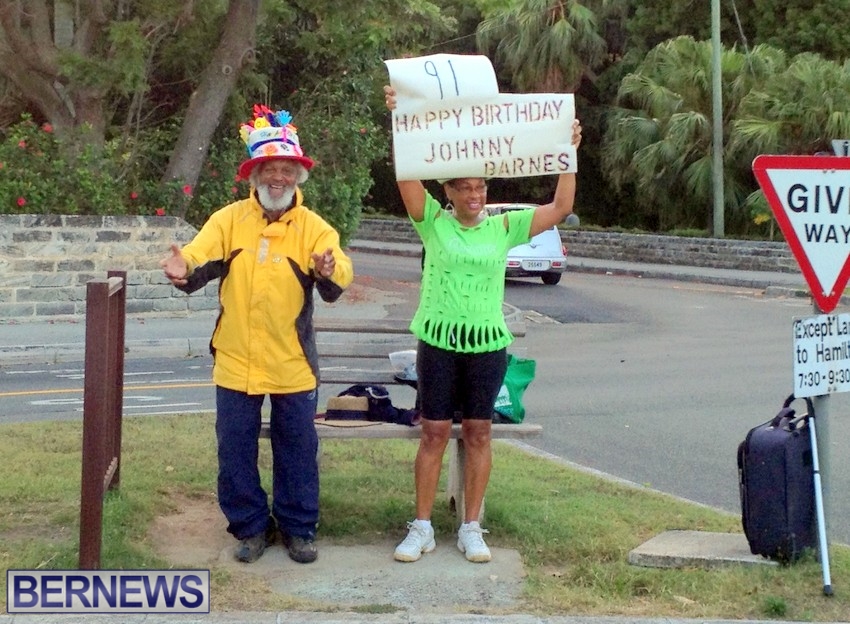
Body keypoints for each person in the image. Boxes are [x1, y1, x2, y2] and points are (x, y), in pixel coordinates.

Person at [383, 85, 581, 563]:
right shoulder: (432, 221)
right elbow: (408, 176)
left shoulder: (503, 226)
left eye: (481, 187)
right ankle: (423, 526)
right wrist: (400, 120)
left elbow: (560, 209)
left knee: (479, 432)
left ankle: (471, 526)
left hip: (487, 345)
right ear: (447, 191)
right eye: (465, 187)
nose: (475, 195)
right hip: (439, 341)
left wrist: (567, 155)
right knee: (432, 432)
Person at [160, 105, 354, 565]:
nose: (279, 178)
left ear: (297, 178)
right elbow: (199, 253)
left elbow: (338, 272)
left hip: (292, 364)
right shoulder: (229, 220)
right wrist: (182, 265)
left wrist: (328, 268)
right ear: (256, 175)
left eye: (288, 170)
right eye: (271, 169)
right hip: (234, 361)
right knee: (234, 450)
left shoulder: (313, 227)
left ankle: (299, 528)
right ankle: (249, 528)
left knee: (298, 451)